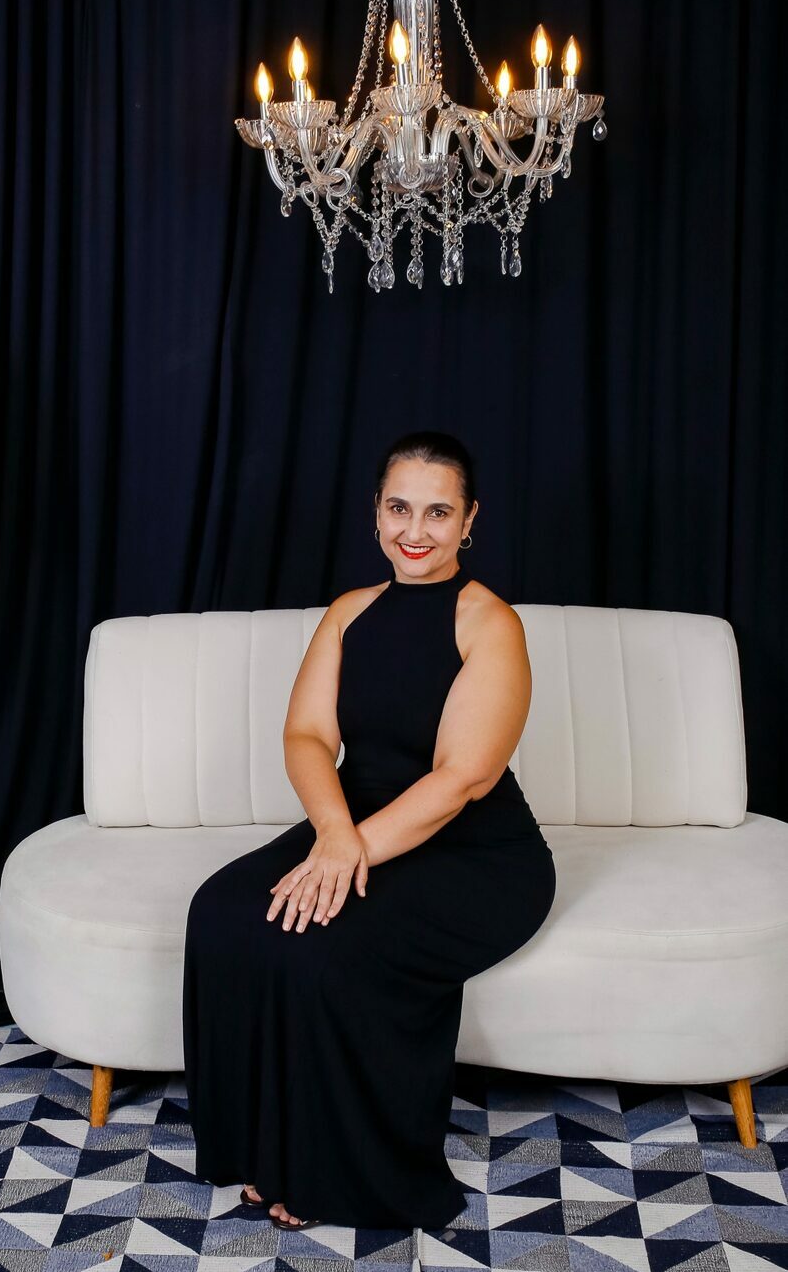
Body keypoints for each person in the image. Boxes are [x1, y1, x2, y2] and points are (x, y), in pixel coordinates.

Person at [182, 430, 557, 1231]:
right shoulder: (348, 613)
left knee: (326, 947)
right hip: (351, 823)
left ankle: (339, 1176)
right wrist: (332, 834)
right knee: (219, 911)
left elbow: (462, 779)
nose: (413, 530)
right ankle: (264, 1151)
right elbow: (306, 736)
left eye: (437, 512)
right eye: (398, 508)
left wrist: (345, 853)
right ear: (375, 513)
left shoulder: (489, 623)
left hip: (477, 853)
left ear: (468, 521)